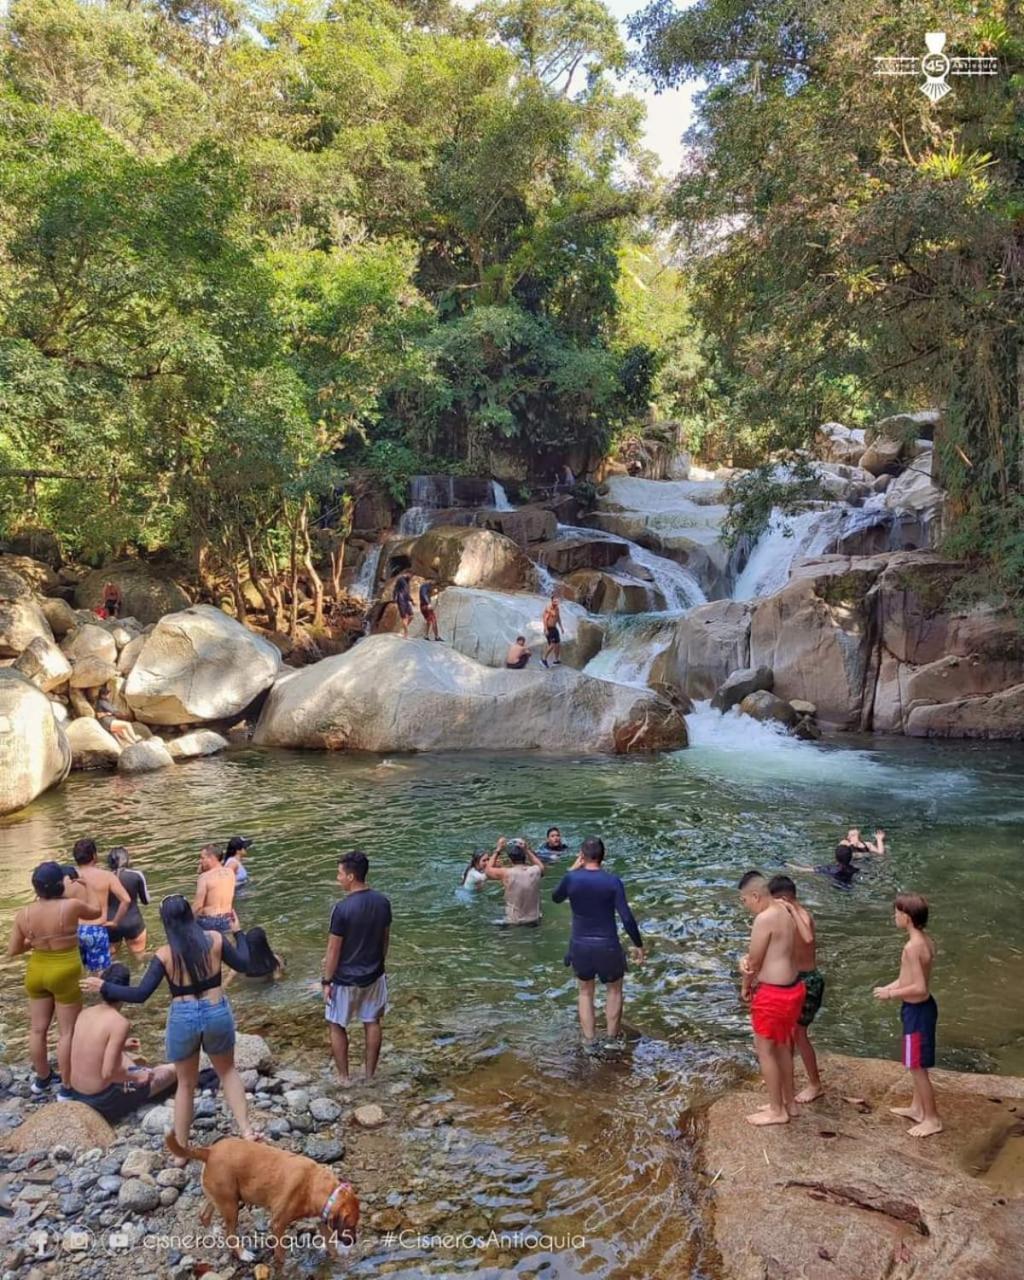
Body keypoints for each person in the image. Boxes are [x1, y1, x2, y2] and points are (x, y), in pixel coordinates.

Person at [81, 895, 258, 1157]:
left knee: (185, 1084)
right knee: (228, 1071)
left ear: (166, 922)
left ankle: (181, 1151)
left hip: (183, 1016)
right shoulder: (215, 940)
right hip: (215, 1009)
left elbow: (141, 994)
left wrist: (105, 986)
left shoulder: (164, 955)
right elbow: (244, 964)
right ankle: (246, 1131)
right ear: (190, 915)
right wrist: (239, 932)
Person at [5, 863, 104, 1093]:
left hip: (37, 971)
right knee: (67, 1032)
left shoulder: (24, 914)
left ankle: (42, 1079)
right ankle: (67, 1086)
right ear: (60, 884)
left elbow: (13, 950)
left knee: (37, 1029)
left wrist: (35, 941)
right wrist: (88, 885)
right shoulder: (71, 906)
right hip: (64, 971)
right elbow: (97, 910)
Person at [551, 837, 644, 1045]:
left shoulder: (572, 879)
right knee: (614, 990)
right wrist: (638, 944)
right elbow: (626, 917)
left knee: (585, 992)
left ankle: (589, 1042)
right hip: (608, 945)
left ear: (582, 856)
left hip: (580, 945)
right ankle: (611, 1040)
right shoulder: (612, 881)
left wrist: (571, 870)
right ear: (604, 856)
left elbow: (555, 897)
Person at [59, 962, 176, 1121]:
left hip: (77, 1093)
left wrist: (122, 1045)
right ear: (125, 990)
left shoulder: (85, 1013)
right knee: (168, 1071)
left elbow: (90, 1048)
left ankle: (140, 1073)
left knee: (131, 1062)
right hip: (104, 1099)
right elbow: (108, 1073)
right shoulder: (119, 1023)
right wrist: (137, 1077)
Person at [737, 870, 805, 1127]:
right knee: (783, 1046)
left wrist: (745, 980)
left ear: (755, 895)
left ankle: (777, 1110)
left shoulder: (764, 918)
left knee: (765, 1051)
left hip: (773, 995)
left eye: (744, 901)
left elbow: (753, 961)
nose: (745, 907)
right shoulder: (784, 909)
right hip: (793, 989)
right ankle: (790, 1102)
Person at [873, 893, 942, 1138]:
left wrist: (892, 995)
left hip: (918, 1011)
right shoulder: (925, 940)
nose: (894, 916)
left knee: (916, 1065)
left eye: (897, 912)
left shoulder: (912, 947)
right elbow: (908, 978)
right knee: (916, 1062)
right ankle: (917, 1108)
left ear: (908, 917)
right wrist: (889, 988)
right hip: (921, 1009)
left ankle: (932, 1119)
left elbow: (919, 987)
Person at [322, 851, 392, 1085]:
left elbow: (333, 950)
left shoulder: (341, 909)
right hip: (375, 974)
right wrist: (380, 966)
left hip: (345, 979)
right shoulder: (383, 902)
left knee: (336, 1024)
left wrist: (326, 981)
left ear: (351, 876)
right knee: (372, 1021)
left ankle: (344, 1077)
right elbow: (385, 940)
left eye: (340, 874)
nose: (338, 878)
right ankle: (370, 1075)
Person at [768, 875, 823, 1103]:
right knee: (788, 1035)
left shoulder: (801, 915)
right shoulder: (790, 916)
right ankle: (786, 1082)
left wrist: (791, 907)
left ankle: (815, 1084)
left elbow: (808, 939)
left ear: (784, 899)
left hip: (808, 981)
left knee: (799, 1034)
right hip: (793, 979)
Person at [72, 838, 131, 973]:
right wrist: (115, 922)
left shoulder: (69, 878)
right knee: (100, 974)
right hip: (97, 928)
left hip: (75, 931)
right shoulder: (106, 876)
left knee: (80, 972)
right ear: (94, 856)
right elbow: (126, 900)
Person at [483, 837, 545, 926]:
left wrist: (498, 849)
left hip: (515, 922)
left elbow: (487, 871)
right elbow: (540, 865)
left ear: (510, 859)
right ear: (525, 857)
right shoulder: (536, 870)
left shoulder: (507, 873)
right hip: (534, 920)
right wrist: (527, 850)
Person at [106, 847, 149, 957]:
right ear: (127, 859)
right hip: (132, 922)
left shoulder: (104, 877)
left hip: (110, 923)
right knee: (139, 958)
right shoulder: (137, 875)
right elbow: (146, 901)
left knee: (111, 958)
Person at [193, 844, 239, 933]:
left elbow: (198, 906)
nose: (200, 861)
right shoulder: (230, 873)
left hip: (209, 921)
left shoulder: (204, 877)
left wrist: (185, 921)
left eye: (202, 858)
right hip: (228, 919)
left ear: (212, 858)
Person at [790, 844, 860, 887]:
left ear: (836, 858)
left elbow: (802, 870)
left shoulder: (828, 869)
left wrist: (786, 864)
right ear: (850, 857)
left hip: (835, 889)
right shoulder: (855, 870)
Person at [541, 594, 562, 668]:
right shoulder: (548, 608)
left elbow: (558, 618)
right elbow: (544, 619)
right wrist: (546, 629)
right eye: (555, 600)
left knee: (558, 644)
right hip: (549, 628)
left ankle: (556, 660)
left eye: (557, 601)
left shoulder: (557, 608)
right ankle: (543, 659)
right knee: (552, 644)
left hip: (554, 628)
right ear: (552, 601)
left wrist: (561, 627)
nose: (556, 602)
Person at [393, 573, 414, 639]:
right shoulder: (401, 580)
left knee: (411, 616)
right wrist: (395, 598)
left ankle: (404, 628)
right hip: (401, 600)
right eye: (411, 575)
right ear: (407, 574)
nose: (411, 577)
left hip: (406, 600)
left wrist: (411, 600)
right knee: (404, 617)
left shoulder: (407, 581)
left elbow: (406, 592)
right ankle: (405, 634)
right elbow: (396, 589)